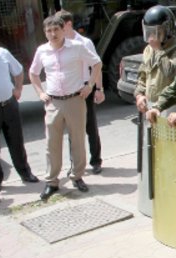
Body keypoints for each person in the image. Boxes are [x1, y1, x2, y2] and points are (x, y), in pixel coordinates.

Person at [29, 15, 102, 200]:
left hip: (75, 100)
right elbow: (33, 73)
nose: (53, 34)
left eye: (56, 30)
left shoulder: (77, 47)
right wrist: (40, 93)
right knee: (51, 144)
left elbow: (97, 63)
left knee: (77, 141)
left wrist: (90, 85)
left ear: (63, 30)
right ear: (45, 33)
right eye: (49, 31)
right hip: (53, 102)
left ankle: (77, 177)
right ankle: (52, 182)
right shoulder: (42, 51)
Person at [134, 5, 176, 216]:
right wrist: (139, 95)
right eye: (148, 33)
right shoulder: (148, 50)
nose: (150, 38)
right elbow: (142, 76)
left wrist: (160, 50)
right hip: (151, 109)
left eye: (155, 33)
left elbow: (173, 74)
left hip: (171, 109)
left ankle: (173, 202)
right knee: (153, 156)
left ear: (168, 31)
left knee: (171, 158)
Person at [0, 25, 39, 194]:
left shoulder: (3, 53)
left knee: (16, 141)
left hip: (9, 104)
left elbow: (18, 71)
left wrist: (18, 89)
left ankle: (25, 173)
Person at [56, 10, 105, 175]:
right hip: (70, 91)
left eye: (59, 27)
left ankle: (96, 160)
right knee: (73, 130)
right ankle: (75, 165)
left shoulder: (84, 42)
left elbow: (96, 66)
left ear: (68, 25)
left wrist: (98, 88)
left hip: (85, 88)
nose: (56, 31)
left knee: (90, 127)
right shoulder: (59, 44)